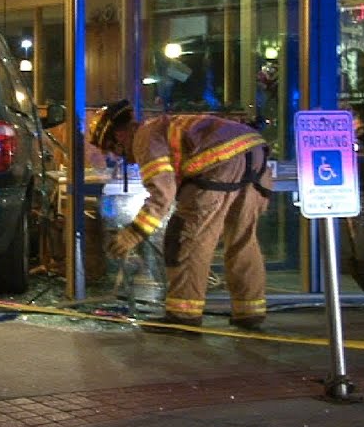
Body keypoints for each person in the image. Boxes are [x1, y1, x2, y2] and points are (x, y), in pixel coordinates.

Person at [90, 100, 272, 332]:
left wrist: (133, 233)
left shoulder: (144, 137)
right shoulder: (165, 127)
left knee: (187, 239)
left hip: (219, 166)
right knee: (242, 239)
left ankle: (183, 315)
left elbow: (162, 194)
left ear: (119, 134)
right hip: (256, 157)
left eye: (111, 148)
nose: (117, 156)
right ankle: (250, 312)